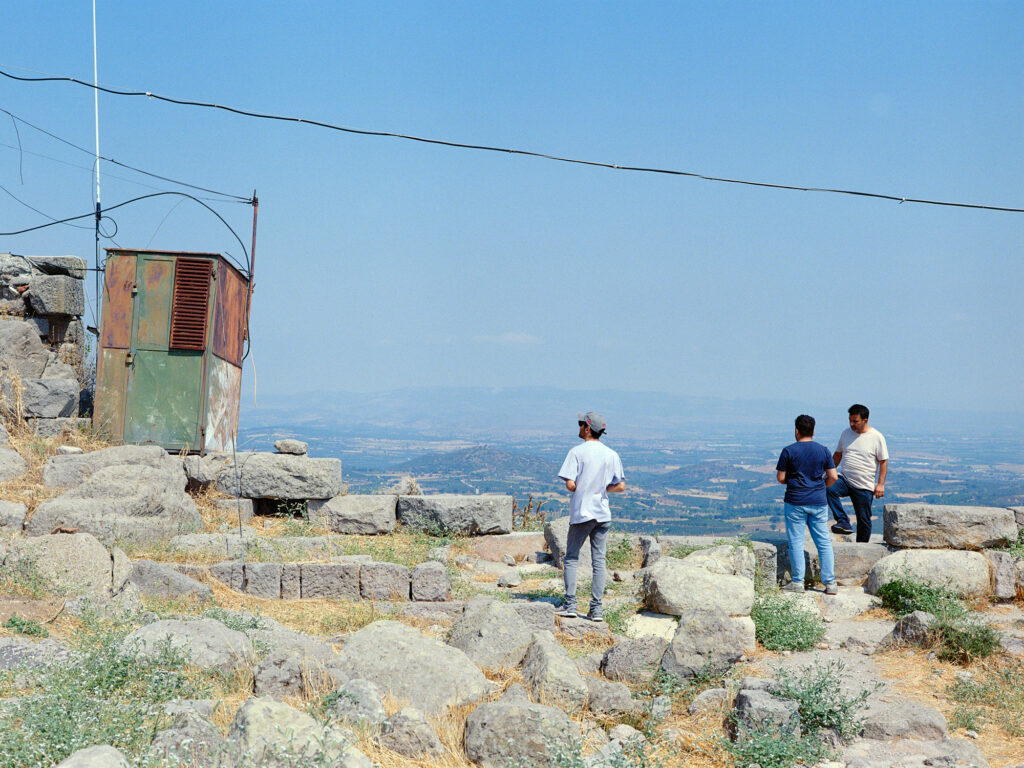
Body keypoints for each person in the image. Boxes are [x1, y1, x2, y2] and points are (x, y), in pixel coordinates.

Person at [556, 411, 626, 622]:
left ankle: (570, 604)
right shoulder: (611, 454)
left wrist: (579, 486)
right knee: (599, 562)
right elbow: (621, 486)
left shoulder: (576, 452)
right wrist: (602, 488)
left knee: (571, 559)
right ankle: (596, 609)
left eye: (580, 425)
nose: (579, 428)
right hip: (602, 513)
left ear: (587, 428)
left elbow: (570, 484)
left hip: (582, 512)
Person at [776, 414, 839, 594]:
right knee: (823, 542)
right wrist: (820, 486)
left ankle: (797, 583)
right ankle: (830, 583)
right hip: (818, 501)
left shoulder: (789, 451)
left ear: (796, 431)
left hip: (795, 501)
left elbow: (781, 478)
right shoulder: (823, 450)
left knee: (796, 542)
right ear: (813, 431)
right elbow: (833, 476)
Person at [828, 404, 889, 542]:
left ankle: (862, 547)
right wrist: (830, 472)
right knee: (828, 488)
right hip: (845, 478)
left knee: (863, 520)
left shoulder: (876, 437)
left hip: (864, 484)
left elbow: (883, 461)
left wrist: (880, 484)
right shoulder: (846, 433)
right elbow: (838, 455)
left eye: (855, 421)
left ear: (865, 420)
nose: (851, 424)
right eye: (850, 420)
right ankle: (843, 521)